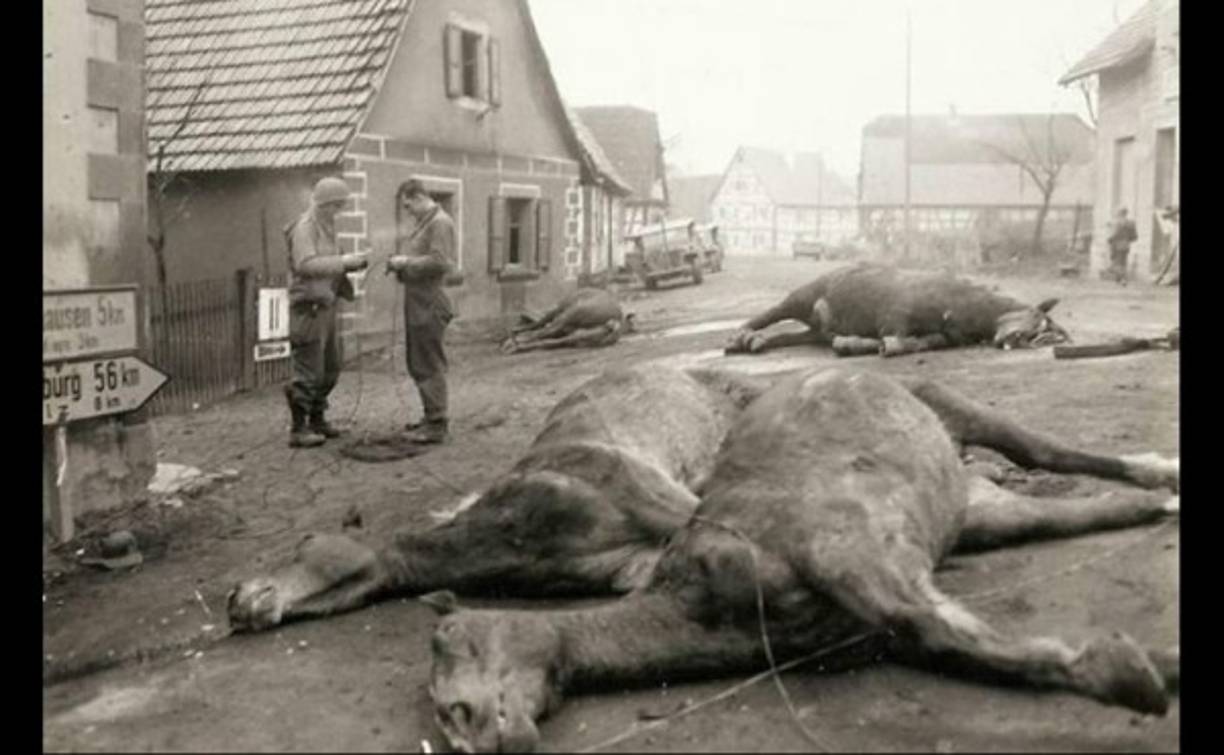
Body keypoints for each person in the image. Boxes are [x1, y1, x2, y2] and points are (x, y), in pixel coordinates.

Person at [283, 177, 370, 448]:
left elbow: (327, 264)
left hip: (327, 304)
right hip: (308, 309)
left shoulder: (326, 226)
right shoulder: (305, 228)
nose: (338, 212)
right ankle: (299, 429)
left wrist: (351, 265)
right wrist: (343, 261)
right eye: (335, 206)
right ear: (323, 204)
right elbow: (306, 264)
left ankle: (318, 419)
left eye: (340, 206)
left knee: (330, 367)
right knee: (308, 369)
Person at [386, 180, 457, 444]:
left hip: (430, 304)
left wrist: (405, 262)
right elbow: (423, 260)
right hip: (418, 302)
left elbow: (441, 262)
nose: (408, 211)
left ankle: (437, 423)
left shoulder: (440, 222)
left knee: (429, 361)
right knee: (419, 361)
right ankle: (431, 417)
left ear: (417, 197)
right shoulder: (426, 222)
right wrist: (401, 266)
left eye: (408, 205)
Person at [1107, 207, 1138, 285]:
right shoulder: (1131, 223)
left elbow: (1115, 233)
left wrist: (1110, 239)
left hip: (1116, 244)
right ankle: (1118, 278)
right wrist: (1127, 240)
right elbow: (1134, 236)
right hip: (1126, 245)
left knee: (1117, 262)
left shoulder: (1117, 222)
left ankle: (1123, 279)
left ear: (1120, 213)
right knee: (1123, 262)